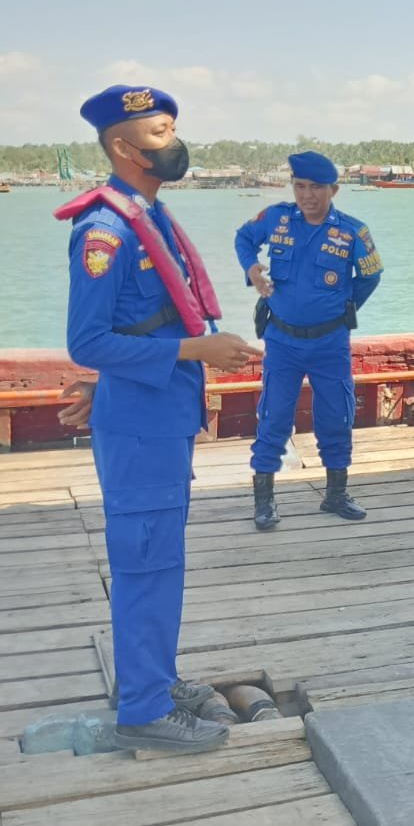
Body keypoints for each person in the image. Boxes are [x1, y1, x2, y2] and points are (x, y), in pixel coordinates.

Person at [57, 84, 260, 753]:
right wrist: (198, 349)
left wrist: (114, 377)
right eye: (158, 134)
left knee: (161, 560)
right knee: (146, 561)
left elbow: (134, 326)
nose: (173, 144)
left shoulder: (151, 215)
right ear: (122, 145)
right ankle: (143, 708)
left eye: (172, 130)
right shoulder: (106, 231)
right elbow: (87, 341)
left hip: (159, 412)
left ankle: (154, 678)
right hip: (141, 423)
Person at [235, 151, 382, 530]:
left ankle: (336, 494)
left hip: (330, 343)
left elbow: (370, 276)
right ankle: (264, 501)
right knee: (274, 416)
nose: (307, 195)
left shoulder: (353, 232)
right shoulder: (276, 219)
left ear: (333, 189)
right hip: (282, 341)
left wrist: (341, 308)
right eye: (300, 186)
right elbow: (243, 238)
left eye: (316, 187)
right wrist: (252, 269)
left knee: (336, 415)